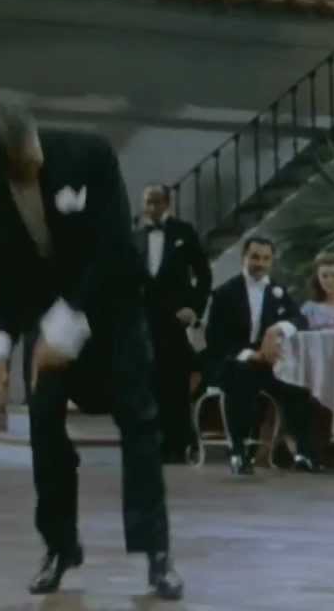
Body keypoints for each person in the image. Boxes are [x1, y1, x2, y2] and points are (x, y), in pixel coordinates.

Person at [0, 102, 182, 599]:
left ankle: (157, 554)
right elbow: (7, 268)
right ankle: (59, 547)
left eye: (31, 151)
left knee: (140, 421)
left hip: (113, 309)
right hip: (44, 318)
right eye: (20, 164)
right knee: (43, 423)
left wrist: (66, 325)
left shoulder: (89, 154)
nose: (33, 164)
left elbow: (113, 249)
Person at [203, 237, 320, 475]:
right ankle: (238, 452)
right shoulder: (225, 293)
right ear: (244, 258)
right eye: (255, 257)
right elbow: (215, 340)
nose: (260, 263)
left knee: (300, 388)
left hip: (268, 365)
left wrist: (277, 329)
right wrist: (249, 354)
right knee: (242, 378)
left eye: (266, 258)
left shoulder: (277, 291)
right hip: (234, 362)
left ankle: (304, 454)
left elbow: (300, 320)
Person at [135, 183, 212, 464]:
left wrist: (194, 308)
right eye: (147, 202)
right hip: (145, 320)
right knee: (148, 380)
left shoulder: (184, 232)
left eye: (156, 201)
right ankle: (152, 443)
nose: (151, 207)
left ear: (167, 204)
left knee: (176, 382)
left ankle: (178, 444)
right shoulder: (136, 235)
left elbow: (204, 274)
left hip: (176, 320)